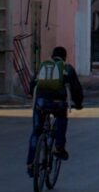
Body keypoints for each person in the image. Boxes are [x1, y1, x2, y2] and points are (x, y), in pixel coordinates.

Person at [27, 46, 84, 175]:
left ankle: (31, 164)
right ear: (65, 57)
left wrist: (35, 97)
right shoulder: (67, 69)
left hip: (40, 103)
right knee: (61, 119)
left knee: (36, 131)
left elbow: (32, 86)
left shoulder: (43, 67)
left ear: (52, 56)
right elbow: (76, 90)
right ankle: (59, 147)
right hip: (58, 104)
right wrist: (79, 104)